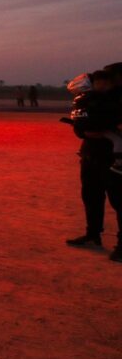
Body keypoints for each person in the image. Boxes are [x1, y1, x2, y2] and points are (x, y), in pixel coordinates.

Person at [66, 68, 122, 262]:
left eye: (103, 81)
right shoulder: (88, 99)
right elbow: (80, 125)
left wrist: (99, 128)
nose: (99, 85)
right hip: (90, 154)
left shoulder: (116, 101)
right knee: (91, 196)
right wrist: (84, 132)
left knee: (119, 201)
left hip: (113, 159)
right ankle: (93, 235)